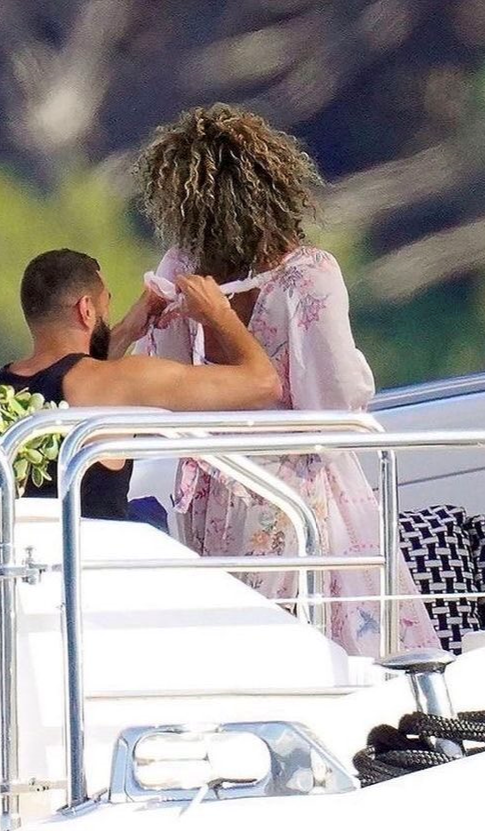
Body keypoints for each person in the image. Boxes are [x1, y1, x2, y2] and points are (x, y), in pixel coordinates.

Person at [132, 103, 438, 656]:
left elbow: (168, 385)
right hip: (288, 485)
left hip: (217, 486)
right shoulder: (305, 275)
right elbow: (335, 401)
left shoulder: (192, 268)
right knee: (301, 644)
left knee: (239, 646)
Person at [0, 247, 281, 520]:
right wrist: (219, 313)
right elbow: (264, 384)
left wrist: (127, 330)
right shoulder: (121, 380)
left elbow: (73, 371)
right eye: (106, 303)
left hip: (18, 551)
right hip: (93, 554)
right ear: (86, 309)